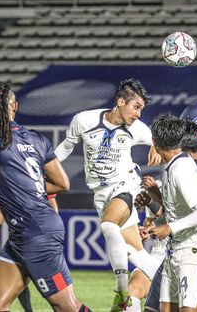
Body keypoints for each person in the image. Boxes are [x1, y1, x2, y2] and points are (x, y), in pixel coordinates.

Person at [0, 82, 91, 311]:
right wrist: (28, 187)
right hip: (23, 236)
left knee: (67, 306)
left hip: (37, 235)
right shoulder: (37, 139)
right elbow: (61, 183)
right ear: (14, 106)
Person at [54, 78, 161, 311]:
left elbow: (162, 140)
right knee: (135, 253)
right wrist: (43, 166)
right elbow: (65, 148)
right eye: (136, 107)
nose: (139, 114)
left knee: (109, 226)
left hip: (126, 185)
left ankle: (121, 289)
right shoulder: (83, 120)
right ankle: (174, 286)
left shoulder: (139, 129)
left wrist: (156, 144)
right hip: (101, 193)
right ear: (120, 101)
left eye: (142, 108)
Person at [142, 120, 197, 312]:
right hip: (175, 250)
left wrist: (169, 228)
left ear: (155, 143)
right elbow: (177, 212)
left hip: (193, 251)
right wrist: (156, 224)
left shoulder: (180, 169)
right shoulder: (173, 166)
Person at [0, 195, 59, 312]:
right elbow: (2, 205)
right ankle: (28, 310)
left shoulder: (35, 180)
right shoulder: (7, 184)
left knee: (64, 303)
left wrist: (52, 231)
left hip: (40, 237)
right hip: (18, 238)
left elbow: (56, 194)